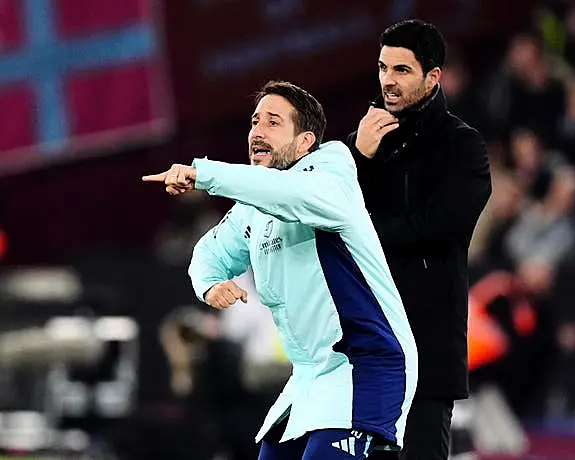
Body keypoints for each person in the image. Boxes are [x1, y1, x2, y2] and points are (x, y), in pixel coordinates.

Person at [143, 80, 418, 460]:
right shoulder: (254, 206)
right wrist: (209, 284)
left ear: (305, 142)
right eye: (255, 121)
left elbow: (285, 194)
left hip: (364, 366)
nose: (257, 131)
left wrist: (203, 175)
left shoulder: (331, 175)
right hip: (306, 378)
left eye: (273, 122)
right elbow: (208, 251)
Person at [346, 20, 492, 460]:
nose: (388, 80)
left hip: (427, 340)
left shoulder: (463, 146)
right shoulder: (364, 143)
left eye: (401, 70)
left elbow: (440, 225)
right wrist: (359, 157)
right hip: (365, 337)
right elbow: (328, 214)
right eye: (382, 67)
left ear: (433, 77)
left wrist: (365, 234)